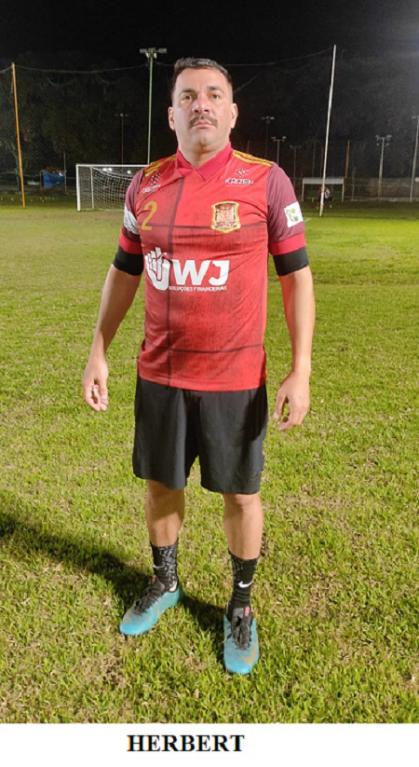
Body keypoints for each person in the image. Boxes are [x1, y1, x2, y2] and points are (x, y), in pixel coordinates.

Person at [83, 57, 315, 675]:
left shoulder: (266, 182)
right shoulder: (146, 185)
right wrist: (99, 349)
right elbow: (124, 271)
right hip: (160, 374)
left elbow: (296, 278)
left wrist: (301, 369)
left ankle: (241, 604)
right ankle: (165, 582)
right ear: (172, 114)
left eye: (214, 95)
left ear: (232, 113)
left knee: (241, 493)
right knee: (162, 486)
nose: (201, 104)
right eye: (188, 96)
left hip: (235, 379)